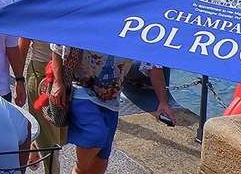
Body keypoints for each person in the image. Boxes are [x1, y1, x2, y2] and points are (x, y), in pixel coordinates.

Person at [48, 46, 176, 174]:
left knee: (100, 163)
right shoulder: (84, 25)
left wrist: (163, 102)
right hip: (82, 88)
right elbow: (57, 47)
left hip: (112, 100)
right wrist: (58, 82)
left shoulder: (136, 31)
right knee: (95, 134)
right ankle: (78, 169)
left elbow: (153, 64)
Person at [20, 0, 66, 174]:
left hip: (62, 78)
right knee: (50, 140)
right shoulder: (33, 15)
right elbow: (22, 48)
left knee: (56, 132)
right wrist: (19, 81)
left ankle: (33, 150)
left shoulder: (66, 13)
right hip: (40, 77)